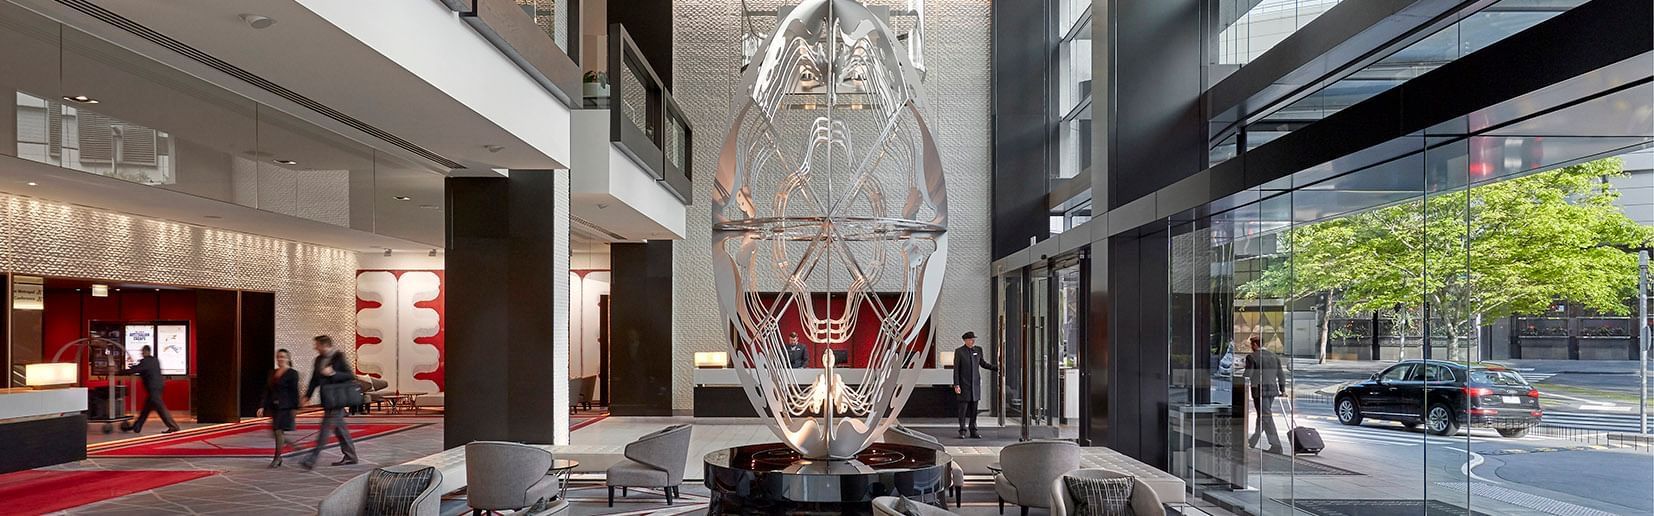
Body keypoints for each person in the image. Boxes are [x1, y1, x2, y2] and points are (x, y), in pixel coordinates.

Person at [300, 335, 358, 469]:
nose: (315, 348)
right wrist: (307, 396)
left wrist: (333, 373)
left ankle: (312, 458)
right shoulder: (318, 360)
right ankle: (351, 456)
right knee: (340, 429)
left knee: (325, 428)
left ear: (325, 345)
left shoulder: (339, 357)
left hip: (337, 399)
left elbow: (350, 375)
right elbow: (314, 380)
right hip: (327, 399)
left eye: (317, 345)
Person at [119, 345, 180, 434]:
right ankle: (137, 426)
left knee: (160, 408)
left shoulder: (146, 361)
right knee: (146, 409)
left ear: (146, 352)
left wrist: (120, 371)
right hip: (158, 386)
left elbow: (137, 369)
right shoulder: (154, 360)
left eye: (143, 352)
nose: (142, 354)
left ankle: (173, 426)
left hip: (153, 388)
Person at [1242, 336, 1287, 454]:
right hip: (1272, 390)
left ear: (1255, 345)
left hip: (1259, 390)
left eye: (1252, 345)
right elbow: (1281, 374)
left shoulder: (1252, 357)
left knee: (1266, 416)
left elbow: (1248, 375)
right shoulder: (1274, 356)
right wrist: (1283, 389)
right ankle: (1253, 440)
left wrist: (1240, 379)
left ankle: (1276, 445)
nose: (1251, 347)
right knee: (1262, 415)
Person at [951, 331, 997, 438]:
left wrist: (996, 368)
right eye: (970, 339)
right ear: (965, 340)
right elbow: (956, 369)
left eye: (973, 339)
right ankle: (962, 430)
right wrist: (956, 384)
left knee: (974, 410)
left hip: (975, 385)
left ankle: (973, 430)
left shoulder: (978, 350)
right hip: (964, 384)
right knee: (963, 409)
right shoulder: (959, 352)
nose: (973, 341)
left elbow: (983, 364)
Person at [260, 349, 300, 468]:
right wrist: (262, 406)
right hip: (274, 407)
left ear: (288, 358)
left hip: (286, 407)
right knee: (275, 432)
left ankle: (277, 458)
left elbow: (294, 392)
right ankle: (290, 445)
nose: (280, 359)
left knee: (278, 431)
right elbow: (267, 390)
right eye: (278, 357)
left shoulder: (292, 373)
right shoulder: (272, 373)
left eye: (283, 357)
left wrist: (295, 408)